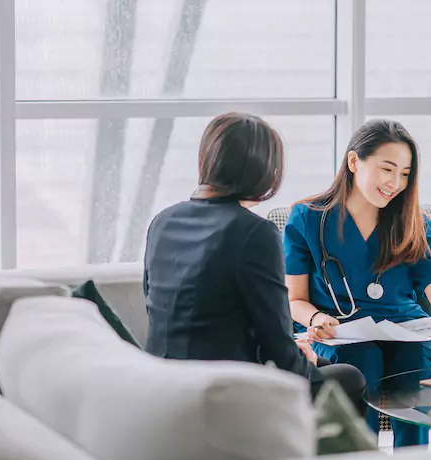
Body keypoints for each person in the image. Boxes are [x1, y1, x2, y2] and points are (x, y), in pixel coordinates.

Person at [143, 112, 366, 411]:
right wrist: (303, 360)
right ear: (264, 171)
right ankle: (306, 458)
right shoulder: (254, 232)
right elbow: (277, 342)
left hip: (162, 379)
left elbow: (172, 311)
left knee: (323, 364)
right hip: (225, 386)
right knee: (349, 378)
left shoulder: (163, 221)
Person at [283, 119, 431, 448]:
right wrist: (316, 319)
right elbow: (296, 300)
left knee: (416, 360)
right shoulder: (307, 218)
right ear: (353, 162)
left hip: (405, 329)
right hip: (339, 332)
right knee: (363, 362)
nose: (395, 183)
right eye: (387, 169)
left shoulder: (414, 223)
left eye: (405, 174)